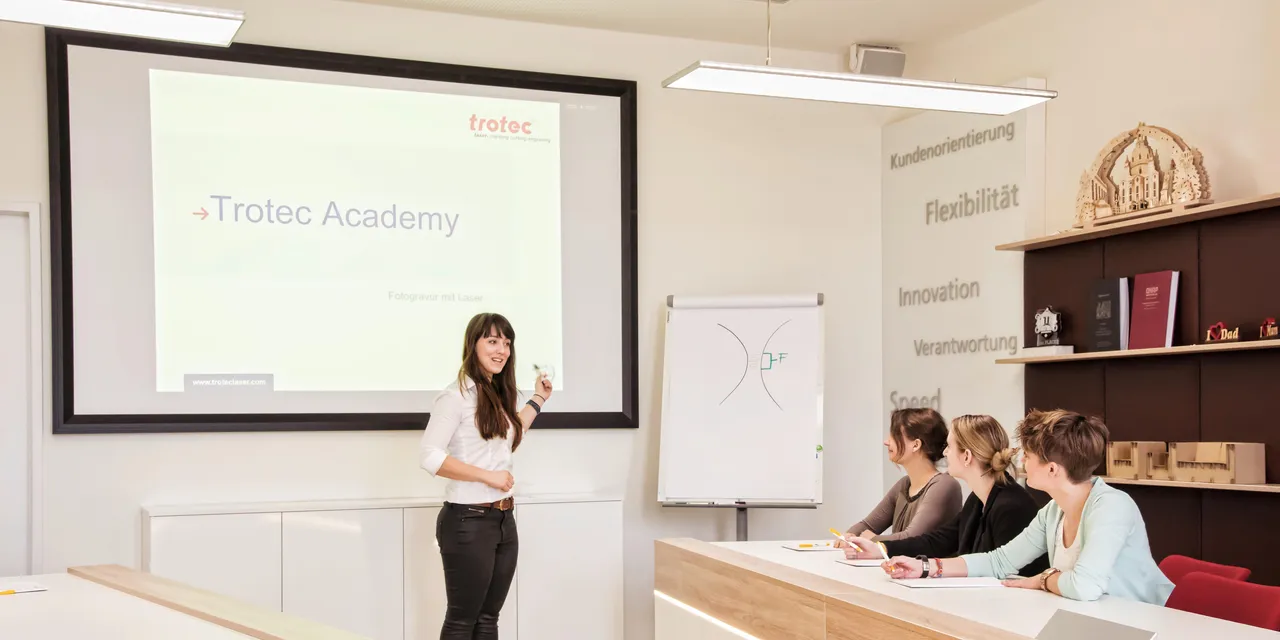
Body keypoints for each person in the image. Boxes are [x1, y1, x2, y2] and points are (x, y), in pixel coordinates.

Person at [880, 409, 1175, 606]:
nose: (1021, 461)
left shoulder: (1111, 507)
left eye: (1030, 456)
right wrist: (926, 567)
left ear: (1052, 470)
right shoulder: (1054, 511)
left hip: (1144, 625)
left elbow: (1084, 587)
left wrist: (1042, 579)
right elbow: (999, 562)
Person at [419, 312, 553, 639]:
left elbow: (508, 438)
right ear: (473, 345)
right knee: (462, 620)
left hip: (503, 520)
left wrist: (538, 399)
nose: (502, 350)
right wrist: (488, 477)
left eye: (507, 343)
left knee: (488, 618)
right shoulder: (455, 397)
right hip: (468, 520)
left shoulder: (495, 394)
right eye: (493, 341)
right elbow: (430, 456)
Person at [841, 415, 1048, 577]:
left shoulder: (1011, 506)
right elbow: (940, 540)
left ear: (966, 456)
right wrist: (882, 548)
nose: (946, 453)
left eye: (950, 446)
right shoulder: (978, 499)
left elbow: (1008, 575)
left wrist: (926, 567)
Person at [839, 408, 962, 543]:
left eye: (895, 435)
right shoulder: (904, 484)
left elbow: (911, 538)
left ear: (916, 445)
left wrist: (871, 539)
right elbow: (868, 525)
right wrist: (849, 536)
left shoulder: (944, 485)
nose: (887, 442)